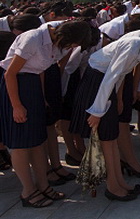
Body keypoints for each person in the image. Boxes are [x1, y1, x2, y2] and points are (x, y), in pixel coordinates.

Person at [73, 30, 140, 201]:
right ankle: (112, 186)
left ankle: (119, 181)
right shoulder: (134, 46)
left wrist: (117, 98)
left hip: (106, 87)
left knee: (111, 138)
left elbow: (120, 74)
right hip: (98, 84)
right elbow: (111, 75)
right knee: (106, 139)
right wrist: (97, 111)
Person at [0, 20, 90, 208]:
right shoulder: (33, 38)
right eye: (73, 44)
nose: (72, 48)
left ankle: (43, 184)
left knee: (38, 140)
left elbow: (39, 70)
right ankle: (28, 191)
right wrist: (16, 105)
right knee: (21, 143)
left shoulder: (57, 44)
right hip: (16, 87)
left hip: (33, 86)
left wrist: (41, 97)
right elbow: (10, 74)